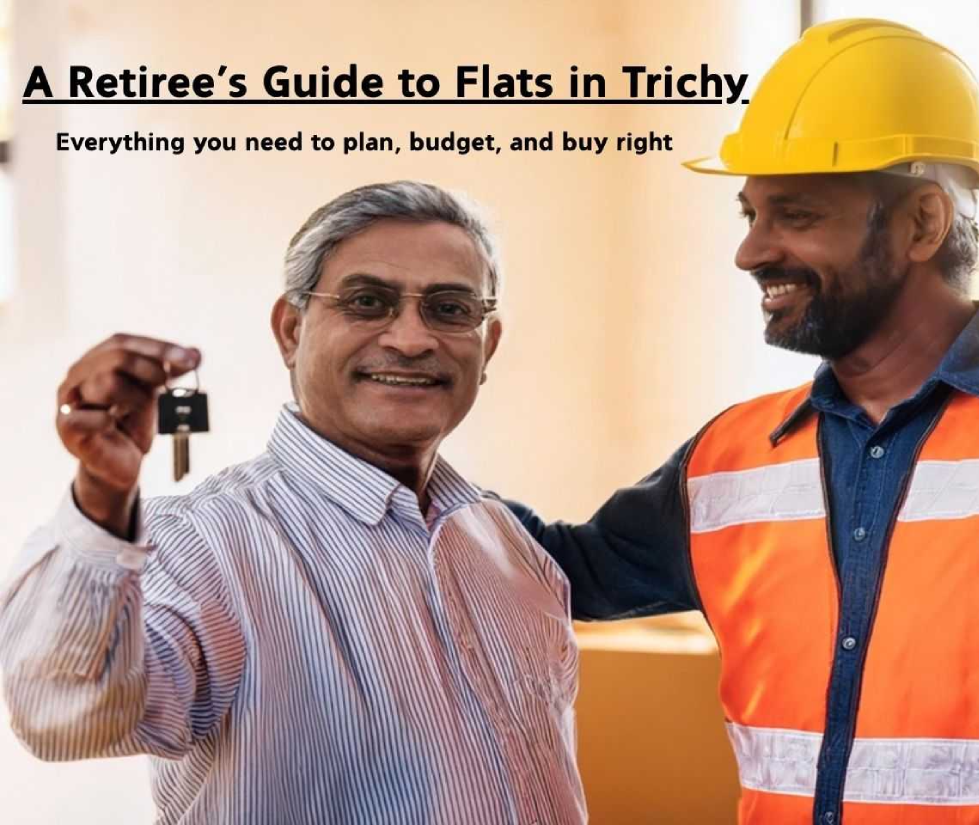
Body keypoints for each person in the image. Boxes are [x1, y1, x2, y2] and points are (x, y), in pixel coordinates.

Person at [509, 19, 979, 824]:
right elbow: (553, 572)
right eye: (750, 214)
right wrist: (386, 450)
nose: (751, 251)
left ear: (922, 223)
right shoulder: (731, 456)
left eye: (794, 214)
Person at [0, 181, 585, 825]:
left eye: (450, 309)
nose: (412, 339)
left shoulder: (504, 540)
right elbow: (61, 715)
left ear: (487, 345)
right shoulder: (203, 544)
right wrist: (102, 496)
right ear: (291, 330)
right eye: (368, 302)